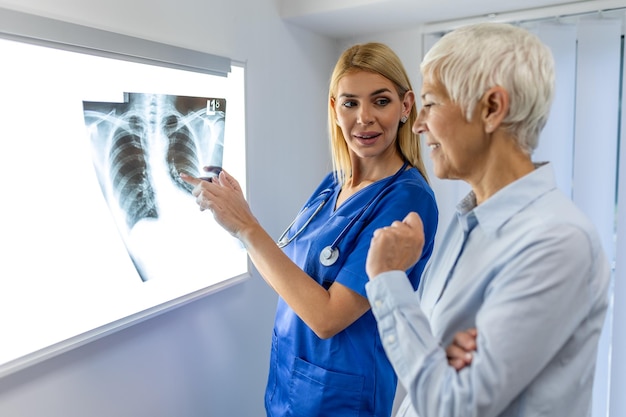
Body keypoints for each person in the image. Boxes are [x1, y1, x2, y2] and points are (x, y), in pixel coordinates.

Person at [364, 22, 611, 417]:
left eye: (430, 102)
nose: (418, 122)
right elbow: (430, 365)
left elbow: (453, 405)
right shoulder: (467, 224)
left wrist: (387, 280)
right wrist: (438, 354)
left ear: (492, 108)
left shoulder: (559, 241)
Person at [181, 42, 439, 417]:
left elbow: (327, 317)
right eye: (350, 103)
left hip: (341, 401)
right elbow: (294, 268)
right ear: (334, 109)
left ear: (406, 106)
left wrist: (246, 226)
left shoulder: (407, 199)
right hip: (288, 384)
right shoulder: (333, 184)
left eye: (380, 101)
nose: (364, 117)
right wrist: (240, 217)